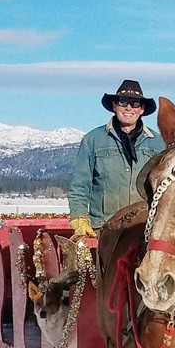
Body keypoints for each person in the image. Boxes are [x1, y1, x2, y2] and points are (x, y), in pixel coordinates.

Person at [67, 79, 164, 237]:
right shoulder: (93, 140)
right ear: (114, 106)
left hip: (145, 228)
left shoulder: (158, 143)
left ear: (142, 109)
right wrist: (79, 215)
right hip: (105, 229)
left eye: (135, 104)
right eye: (123, 102)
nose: (128, 108)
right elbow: (80, 185)